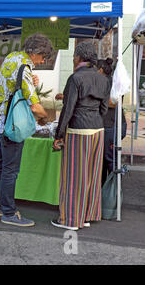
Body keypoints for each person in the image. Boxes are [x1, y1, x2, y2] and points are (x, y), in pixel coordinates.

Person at [0, 33, 51, 227]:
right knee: (10, 170)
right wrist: (45, 117)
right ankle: (9, 212)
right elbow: (34, 105)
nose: (42, 62)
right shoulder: (24, 68)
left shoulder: (11, 58)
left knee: (0, 165)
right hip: (12, 125)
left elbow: (11, 86)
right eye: (43, 57)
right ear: (36, 53)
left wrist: (30, 82)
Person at [51, 41, 111, 231]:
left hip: (78, 130)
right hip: (97, 130)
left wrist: (58, 134)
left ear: (79, 57)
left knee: (74, 176)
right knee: (92, 174)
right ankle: (86, 216)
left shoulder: (75, 78)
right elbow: (103, 109)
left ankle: (69, 219)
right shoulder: (103, 79)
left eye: (75, 55)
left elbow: (67, 110)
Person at [96, 58, 127, 186]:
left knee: (110, 160)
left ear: (101, 70)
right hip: (108, 125)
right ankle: (103, 191)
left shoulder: (111, 83)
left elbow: (113, 103)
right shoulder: (105, 82)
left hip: (111, 125)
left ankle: (113, 191)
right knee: (102, 160)